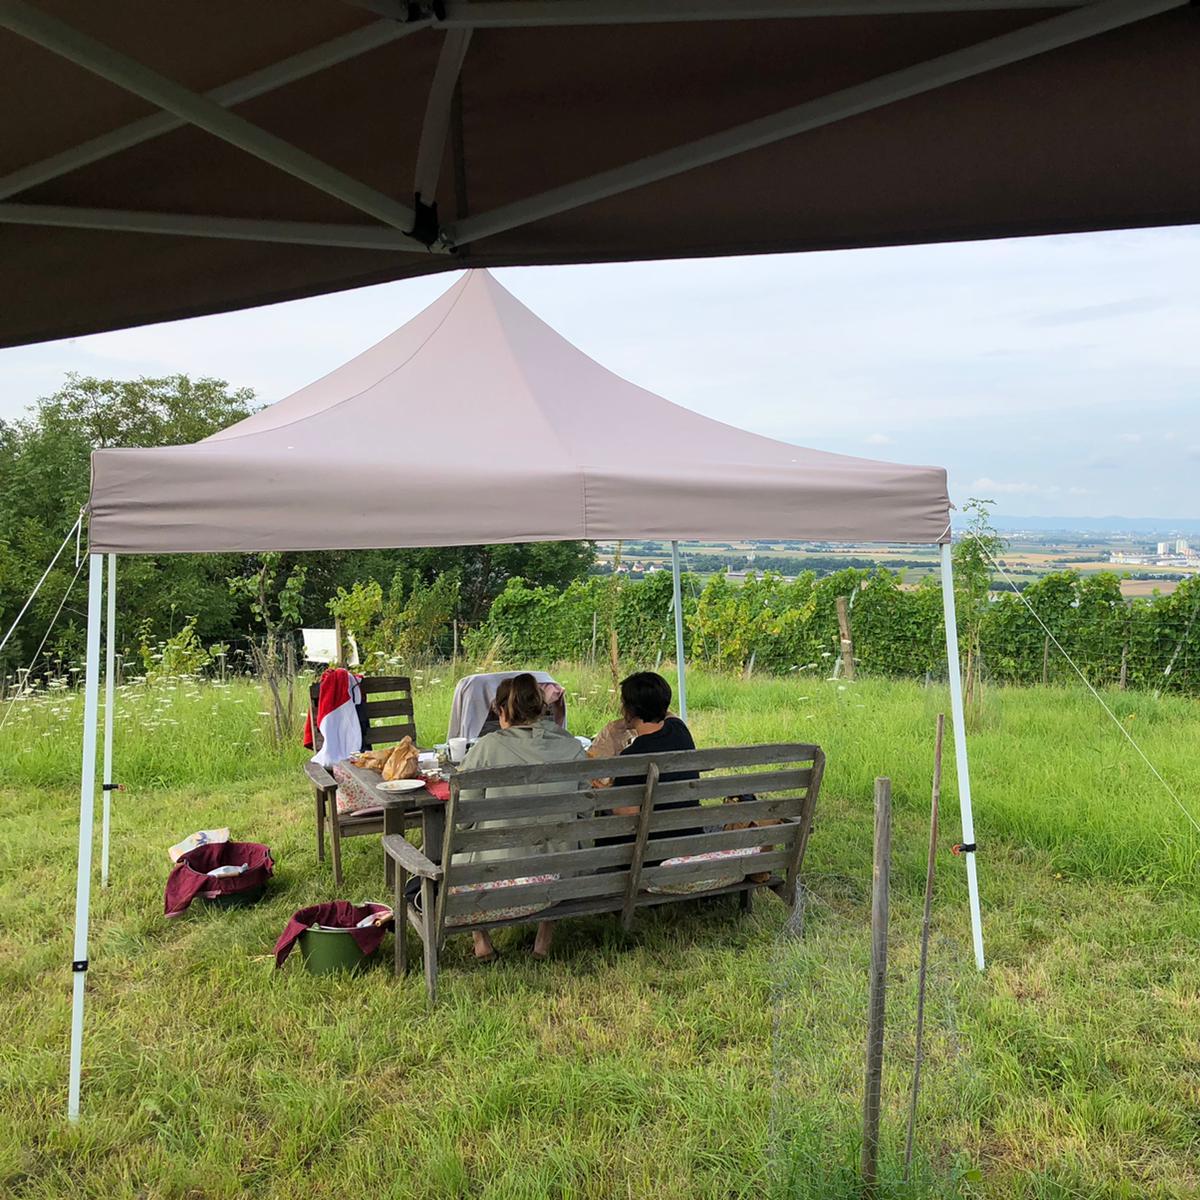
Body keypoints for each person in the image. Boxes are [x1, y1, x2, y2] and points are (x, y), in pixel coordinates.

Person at [454, 673, 587, 962]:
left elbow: (462, 818)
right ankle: (544, 939)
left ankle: (482, 941)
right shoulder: (571, 746)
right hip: (561, 867)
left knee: (456, 847)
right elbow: (585, 810)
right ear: (542, 707)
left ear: (502, 710)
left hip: (497, 869)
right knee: (560, 838)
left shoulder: (487, 748)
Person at [607, 671, 702, 840]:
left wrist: (607, 791)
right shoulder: (679, 730)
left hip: (652, 852)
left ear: (630, 710)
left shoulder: (632, 756)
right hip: (690, 838)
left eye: (623, 704)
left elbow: (626, 816)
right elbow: (666, 715)